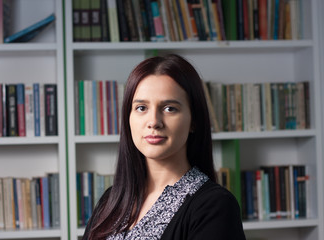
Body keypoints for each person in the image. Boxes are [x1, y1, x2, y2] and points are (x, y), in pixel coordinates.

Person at [82, 54, 246, 240]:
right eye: (141, 108)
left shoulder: (215, 206)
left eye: (169, 108)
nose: (153, 122)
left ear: (194, 120)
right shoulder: (111, 200)